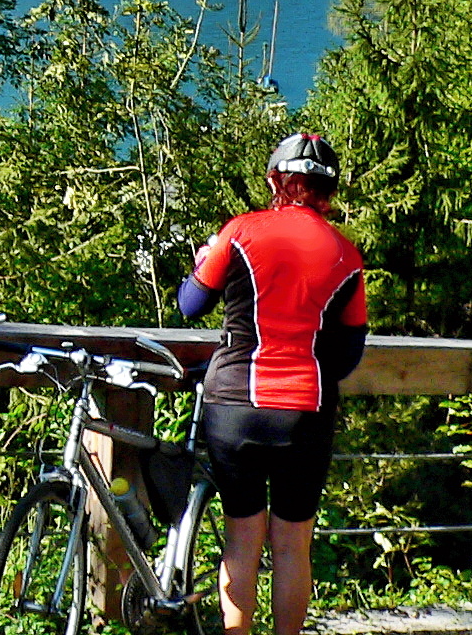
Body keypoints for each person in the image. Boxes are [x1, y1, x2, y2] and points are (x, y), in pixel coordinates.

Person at [177, 131, 368, 635]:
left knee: (242, 540)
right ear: (328, 190)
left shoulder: (240, 231)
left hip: (233, 406)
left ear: (275, 181)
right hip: (304, 412)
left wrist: (200, 263)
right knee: (292, 546)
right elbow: (348, 354)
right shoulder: (347, 255)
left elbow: (191, 304)